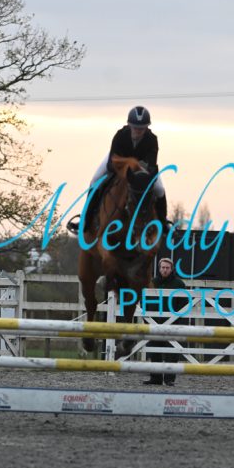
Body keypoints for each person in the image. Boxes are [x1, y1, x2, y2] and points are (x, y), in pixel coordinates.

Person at [68, 105, 169, 235]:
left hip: (141, 169)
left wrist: (139, 170)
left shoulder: (152, 139)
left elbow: (151, 165)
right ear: (129, 125)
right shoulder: (120, 135)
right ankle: (85, 221)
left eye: (142, 128)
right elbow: (111, 164)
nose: (138, 131)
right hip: (118, 163)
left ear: (146, 127)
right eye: (135, 127)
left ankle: (163, 223)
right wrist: (126, 167)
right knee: (95, 181)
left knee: (160, 189)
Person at [144, 257, 187, 387]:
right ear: (159, 268)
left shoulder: (179, 284)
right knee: (154, 350)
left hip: (173, 323)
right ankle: (155, 377)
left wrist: (177, 320)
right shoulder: (152, 282)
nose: (165, 270)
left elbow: (184, 304)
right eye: (163, 267)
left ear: (171, 269)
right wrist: (147, 320)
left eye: (167, 268)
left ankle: (169, 379)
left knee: (172, 352)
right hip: (154, 321)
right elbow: (145, 301)